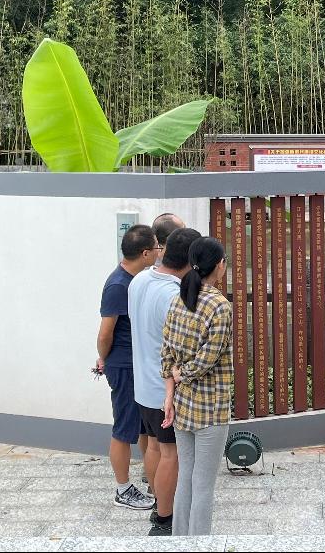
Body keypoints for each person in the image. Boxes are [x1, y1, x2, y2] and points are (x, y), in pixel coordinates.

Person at [129, 227, 202, 535]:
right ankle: (164, 519)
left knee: (154, 447)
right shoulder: (174, 295)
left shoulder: (139, 280)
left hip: (143, 386)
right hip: (165, 391)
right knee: (171, 454)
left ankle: (159, 502)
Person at [161, 237, 233, 536]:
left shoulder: (177, 300)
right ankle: (199, 544)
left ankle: (180, 541)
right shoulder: (219, 306)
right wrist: (183, 374)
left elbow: (166, 351)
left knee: (186, 479)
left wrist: (170, 393)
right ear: (219, 265)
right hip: (211, 407)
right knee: (203, 485)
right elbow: (208, 359)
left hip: (182, 404)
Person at [96, 224, 158, 510]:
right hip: (123, 366)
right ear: (145, 253)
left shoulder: (138, 280)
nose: (159, 252)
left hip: (137, 364)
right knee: (124, 427)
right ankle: (122, 489)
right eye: (157, 247)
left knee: (144, 427)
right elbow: (105, 334)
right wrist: (104, 358)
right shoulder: (118, 285)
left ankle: (151, 478)